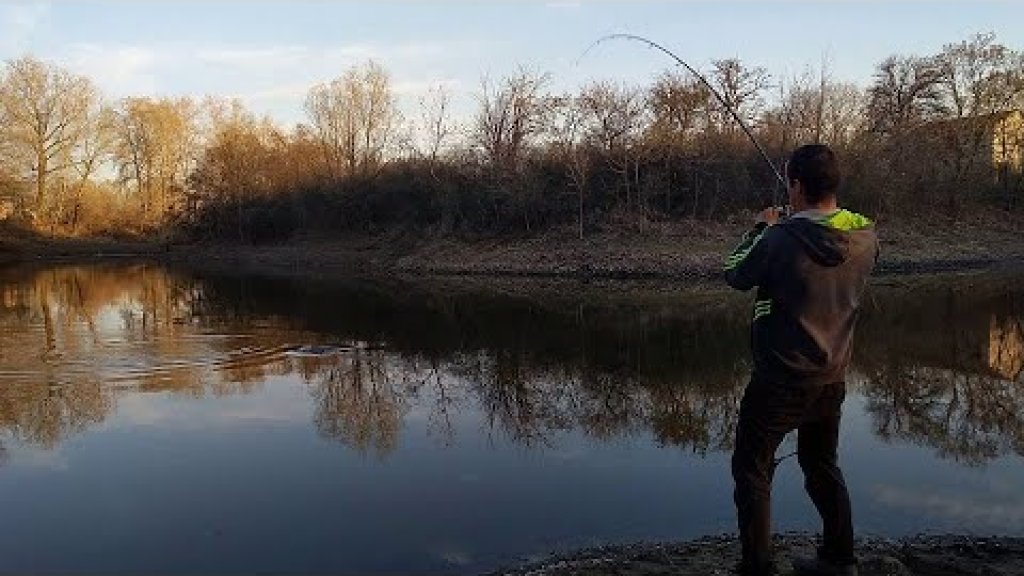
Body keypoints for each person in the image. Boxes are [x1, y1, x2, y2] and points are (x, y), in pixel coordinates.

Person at [723, 144, 878, 576]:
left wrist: (761, 227)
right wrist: (789, 227)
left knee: (752, 471)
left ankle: (757, 567)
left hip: (779, 378)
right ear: (833, 185)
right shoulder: (865, 237)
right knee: (821, 464)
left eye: (789, 182)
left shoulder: (778, 238)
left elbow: (736, 273)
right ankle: (840, 560)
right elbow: (822, 243)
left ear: (795, 185)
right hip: (832, 376)